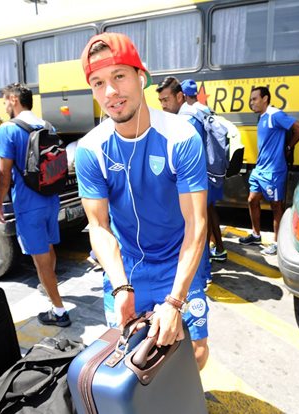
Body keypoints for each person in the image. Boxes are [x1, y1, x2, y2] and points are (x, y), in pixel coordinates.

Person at [75, 33, 210, 370]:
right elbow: (98, 225)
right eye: (98, 82)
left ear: (141, 76)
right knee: (129, 355)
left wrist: (175, 301)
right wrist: (121, 285)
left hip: (177, 263)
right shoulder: (91, 149)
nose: (110, 92)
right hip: (127, 267)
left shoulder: (181, 137)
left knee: (194, 352)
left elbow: (197, 223)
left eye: (119, 76)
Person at [0, 83, 70, 327]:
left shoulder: (8, 129)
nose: (4, 105)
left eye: (5, 100)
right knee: (48, 249)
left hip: (28, 203)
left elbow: (4, 173)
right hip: (51, 198)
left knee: (40, 259)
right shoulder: (48, 125)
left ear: (14, 99)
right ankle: (49, 288)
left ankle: (59, 312)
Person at [155, 77, 214, 288]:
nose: (163, 105)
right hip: (194, 182)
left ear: (180, 96)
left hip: (191, 185)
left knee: (194, 226)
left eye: (166, 99)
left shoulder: (186, 122)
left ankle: (200, 276)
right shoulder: (187, 116)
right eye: (160, 101)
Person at [239, 86, 299, 255]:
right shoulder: (261, 117)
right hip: (260, 170)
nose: (251, 102)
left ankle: (277, 243)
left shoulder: (275, 115)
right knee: (252, 200)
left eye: (254, 99)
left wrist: (289, 147)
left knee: (276, 207)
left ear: (265, 99)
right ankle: (256, 235)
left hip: (274, 172)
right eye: (251, 99)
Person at [181, 79, 227, 263]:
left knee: (201, 214)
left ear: (183, 95)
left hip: (202, 171)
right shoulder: (205, 109)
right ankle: (219, 249)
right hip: (214, 168)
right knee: (209, 209)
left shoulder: (188, 114)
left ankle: (207, 253)